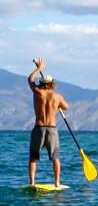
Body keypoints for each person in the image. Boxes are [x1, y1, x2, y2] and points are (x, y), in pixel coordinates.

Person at [27, 58, 69, 187]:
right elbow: (66, 106)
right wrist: (57, 106)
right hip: (52, 129)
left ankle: (32, 183)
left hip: (38, 128)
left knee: (33, 158)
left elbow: (30, 79)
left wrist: (39, 68)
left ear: (42, 83)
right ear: (52, 84)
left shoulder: (37, 92)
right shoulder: (57, 96)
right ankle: (57, 183)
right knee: (55, 158)